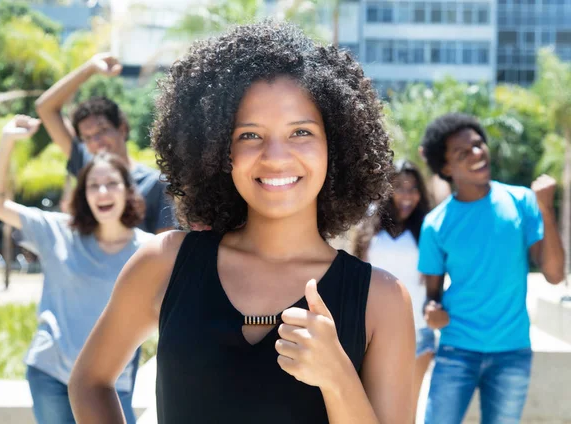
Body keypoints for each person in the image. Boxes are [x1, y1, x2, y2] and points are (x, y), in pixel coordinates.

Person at [69, 21, 415, 424]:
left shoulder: (382, 300)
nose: (275, 156)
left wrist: (338, 379)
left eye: (300, 132)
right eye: (250, 135)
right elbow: (89, 382)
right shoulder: (163, 264)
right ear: (218, 150)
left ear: (335, 146)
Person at [0, 115, 154, 424]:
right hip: (51, 376)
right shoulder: (57, 230)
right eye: (93, 185)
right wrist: (7, 141)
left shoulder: (150, 250)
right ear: (83, 195)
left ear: (128, 190)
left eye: (111, 184)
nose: (103, 192)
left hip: (113, 381)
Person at [418, 113, 565, 424]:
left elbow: (554, 275)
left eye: (478, 144)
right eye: (463, 152)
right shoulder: (436, 224)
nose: (477, 153)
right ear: (446, 169)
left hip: (512, 351)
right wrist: (432, 311)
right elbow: (431, 297)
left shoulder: (521, 201)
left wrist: (545, 209)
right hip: (456, 350)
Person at [35, 53, 175, 234]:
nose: (97, 141)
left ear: (122, 128)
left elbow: (166, 248)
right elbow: (45, 108)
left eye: (102, 131)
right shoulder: (86, 164)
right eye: (87, 137)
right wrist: (91, 67)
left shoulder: (154, 184)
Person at [353, 159, 434, 421]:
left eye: (413, 189)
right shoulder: (371, 224)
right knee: (371, 411)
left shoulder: (428, 229)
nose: (407, 196)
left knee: (406, 413)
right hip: (369, 333)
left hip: (418, 331)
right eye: (400, 188)